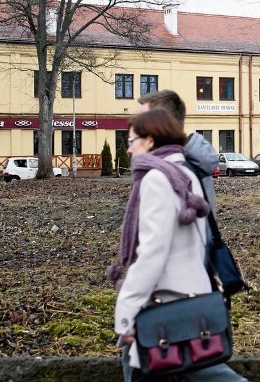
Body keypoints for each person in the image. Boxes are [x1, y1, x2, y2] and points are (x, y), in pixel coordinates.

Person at [136, 90, 248, 382]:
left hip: (175, 287)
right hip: (191, 282)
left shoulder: (173, 170)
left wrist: (132, 302)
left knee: (197, 365)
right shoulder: (188, 161)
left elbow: (163, 244)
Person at [108, 109, 216, 381]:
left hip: (163, 311)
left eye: (131, 141)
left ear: (151, 140)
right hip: (194, 302)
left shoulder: (157, 178)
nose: (129, 150)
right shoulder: (186, 173)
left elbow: (152, 253)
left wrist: (126, 313)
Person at [138, 90, 218, 214]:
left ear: (163, 126)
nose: (138, 127)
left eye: (144, 121)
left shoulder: (175, 169)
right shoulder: (192, 160)